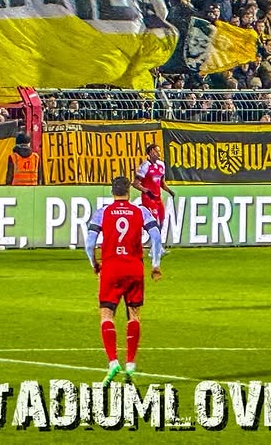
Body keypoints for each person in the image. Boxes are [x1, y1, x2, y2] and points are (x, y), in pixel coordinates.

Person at [85, 176, 164, 386]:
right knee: (134, 315)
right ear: (129, 191)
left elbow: (89, 243)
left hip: (111, 268)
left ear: (112, 192)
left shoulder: (102, 213)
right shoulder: (141, 211)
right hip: (134, 268)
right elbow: (156, 237)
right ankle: (130, 363)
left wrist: (94, 263)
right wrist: (155, 264)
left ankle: (113, 362)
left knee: (106, 314)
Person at [135, 144, 176, 227]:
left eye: (159, 151)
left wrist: (170, 191)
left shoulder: (161, 165)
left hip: (158, 199)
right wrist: (146, 190)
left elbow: (162, 183)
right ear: (150, 152)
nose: (159, 153)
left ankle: (158, 237)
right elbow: (135, 183)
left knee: (162, 221)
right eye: (156, 151)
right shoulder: (145, 166)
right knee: (154, 222)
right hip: (149, 198)